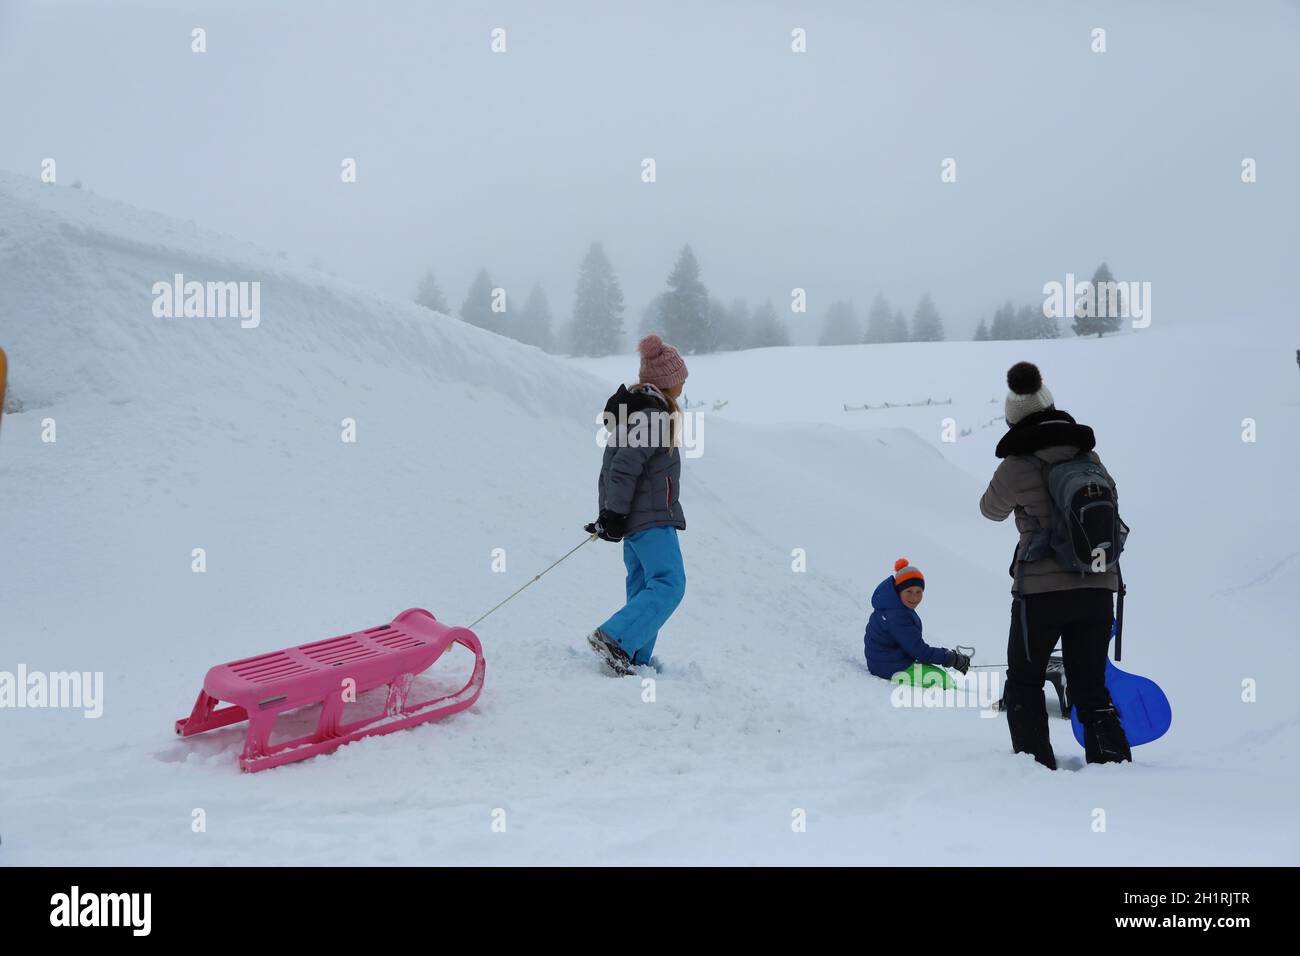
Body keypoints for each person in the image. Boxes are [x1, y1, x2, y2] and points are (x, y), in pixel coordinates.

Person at [980, 361, 1131, 769]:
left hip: (1042, 594)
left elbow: (989, 510)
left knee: (1026, 681)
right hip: (1099, 585)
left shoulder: (1017, 463)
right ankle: (1114, 766)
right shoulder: (1089, 456)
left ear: (1015, 420)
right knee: (1091, 686)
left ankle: (1033, 768)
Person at [585, 335, 688, 676]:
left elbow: (615, 465)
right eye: (681, 380)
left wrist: (612, 514)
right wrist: (613, 513)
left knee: (645, 587)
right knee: (670, 582)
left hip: (635, 519)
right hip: (650, 519)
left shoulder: (640, 413)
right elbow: (623, 468)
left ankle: (631, 657)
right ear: (668, 383)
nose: (683, 385)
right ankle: (616, 638)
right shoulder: (653, 416)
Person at [864, 558, 970, 680]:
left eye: (918, 592)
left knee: (939, 676)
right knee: (942, 680)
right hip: (887, 666)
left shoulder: (894, 605)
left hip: (888, 660)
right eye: (909, 591)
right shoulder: (897, 615)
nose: (914, 597)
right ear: (899, 591)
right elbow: (920, 652)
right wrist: (952, 659)